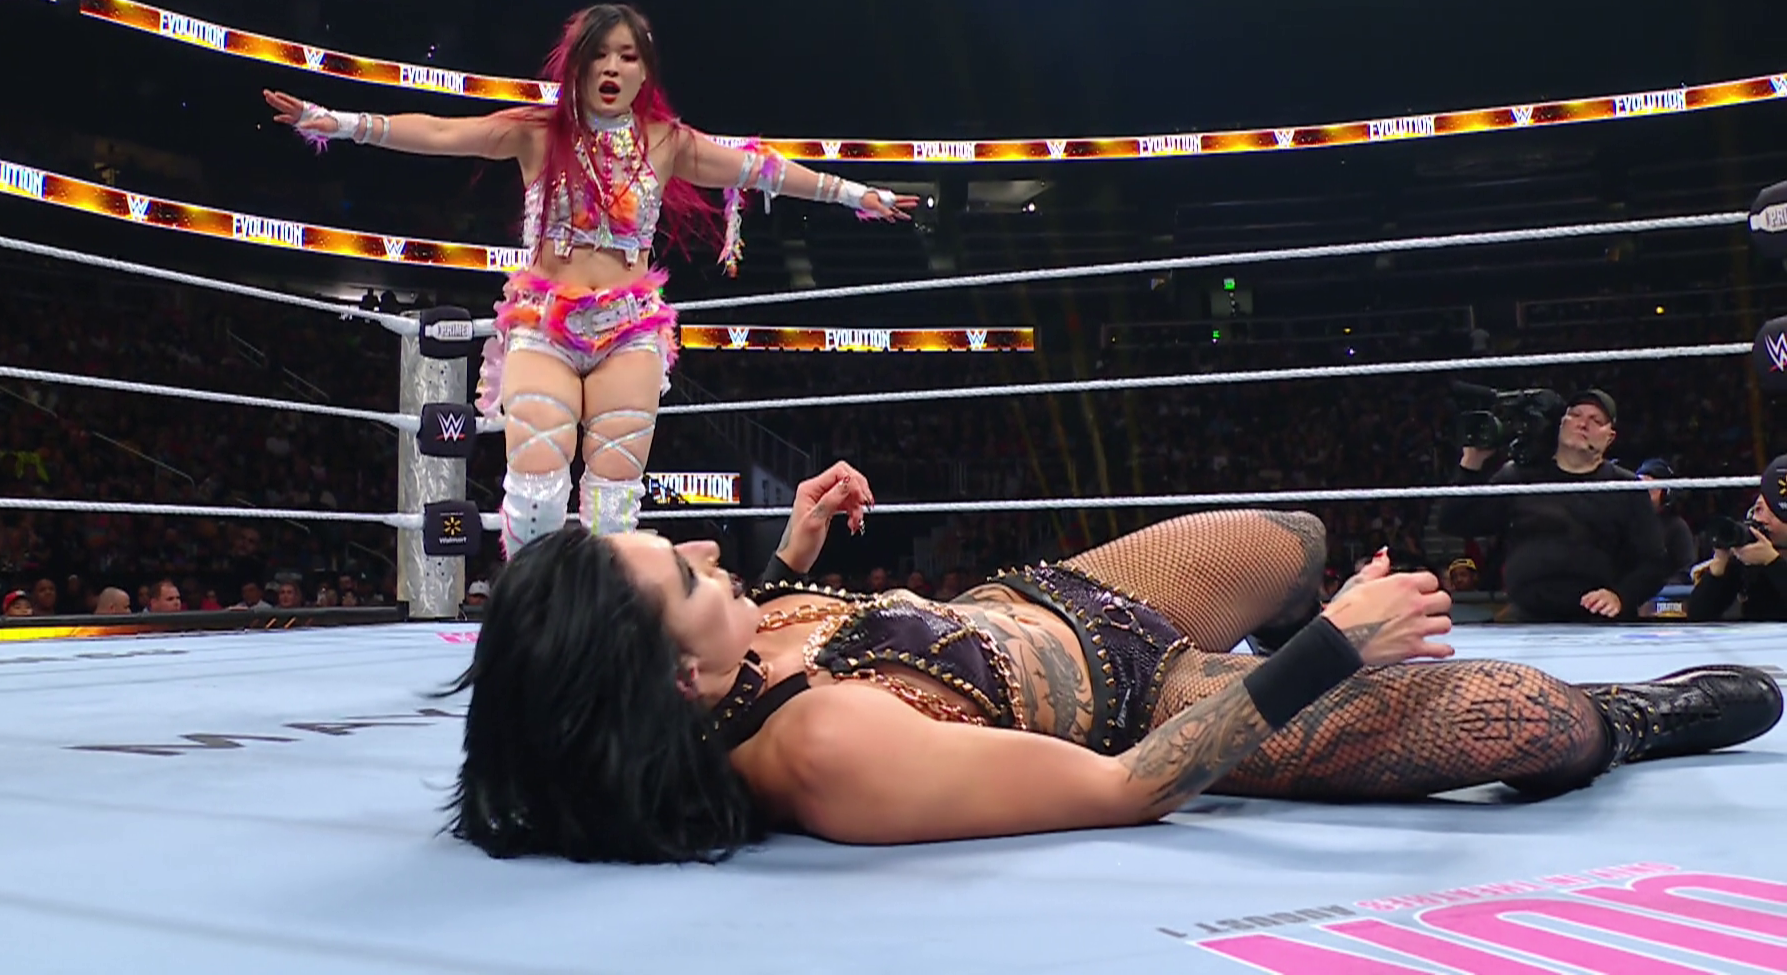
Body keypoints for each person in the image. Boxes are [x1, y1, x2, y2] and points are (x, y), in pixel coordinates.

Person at [440, 461, 1783, 864]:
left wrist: (793, 553)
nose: (705, 554)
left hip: (1067, 598)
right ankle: (1631, 715)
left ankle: (1343, 693)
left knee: (1293, 537)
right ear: (678, 685)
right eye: (688, 578)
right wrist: (1333, 653)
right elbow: (1129, 789)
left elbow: (809, 628)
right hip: (1140, 707)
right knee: (1527, 721)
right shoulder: (821, 750)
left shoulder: (738, 649)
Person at [264, 3, 916, 558]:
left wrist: (857, 194)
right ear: (576, 65)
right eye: (599, 55)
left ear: (644, 69)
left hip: (630, 331)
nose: (611, 68)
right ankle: (533, 620)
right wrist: (339, 123)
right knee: (536, 491)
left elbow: (760, 170)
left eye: (627, 56)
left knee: (612, 510)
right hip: (544, 324)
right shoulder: (537, 132)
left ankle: (595, 631)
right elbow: (441, 132)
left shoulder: (667, 142)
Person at [1435, 389, 1668, 621]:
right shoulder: (1520, 476)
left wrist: (1620, 596)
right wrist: (1471, 463)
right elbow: (1454, 521)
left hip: (1598, 619)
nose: (1583, 424)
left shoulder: (1625, 487)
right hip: (1528, 617)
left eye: (1596, 420)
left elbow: (1654, 562)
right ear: (1561, 423)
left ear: (1610, 437)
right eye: (1575, 415)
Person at [1685, 455, 1787, 622]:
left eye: (1772, 512)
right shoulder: (1746, 559)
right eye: (1759, 509)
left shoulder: (1767, 559)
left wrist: (1772, 562)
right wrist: (1718, 567)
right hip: (1757, 637)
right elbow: (1697, 616)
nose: (1761, 520)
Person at [1637, 458, 1699, 584]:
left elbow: (1686, 571)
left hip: (1663, 592)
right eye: (1640, 488)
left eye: (1650, 488)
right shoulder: (1627, 523)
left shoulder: (1677, 527)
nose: (1643, 494)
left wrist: (1659, 588)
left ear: (1665, 493)